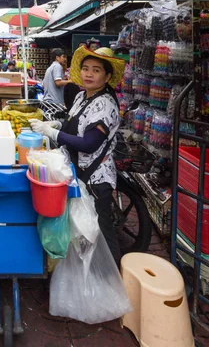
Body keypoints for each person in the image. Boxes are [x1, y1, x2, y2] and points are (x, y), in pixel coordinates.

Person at [30, 46, 126, 266]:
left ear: (107, 76)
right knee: (85, 230)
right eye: (85, 69)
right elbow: (74, 124)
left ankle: (113, 278)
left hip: (96, 179)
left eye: (96, 70)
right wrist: (57, 124)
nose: (89, 74)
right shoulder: (83, 96)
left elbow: (89, 144)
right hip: (79, 173)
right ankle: (86, 273)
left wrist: (53, 133)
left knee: (102, 230)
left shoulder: (105, 104)